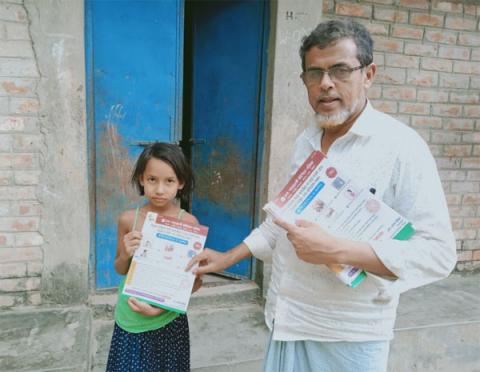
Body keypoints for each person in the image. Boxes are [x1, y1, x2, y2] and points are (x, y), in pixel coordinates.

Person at [187, 19, 457, 372]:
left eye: (340, 70)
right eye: (314, 73)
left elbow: (438, 254)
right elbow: (279, 223)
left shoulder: (401, 147)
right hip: (286, 320)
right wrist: (227, 257)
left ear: (369, 74)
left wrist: (337, 250)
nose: (325, 84)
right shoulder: (306, 141)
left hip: (348, 336)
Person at [107, 142, 199, 371]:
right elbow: (120, 268)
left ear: (181, 182)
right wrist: (126, 254)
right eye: (152, 180)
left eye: (169, 181)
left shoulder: (188, 224)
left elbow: (194, 281)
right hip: (132, 315)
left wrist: (161, 308)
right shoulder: (129, 219)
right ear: (141, 179)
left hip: (168, 319)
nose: (160, 189)